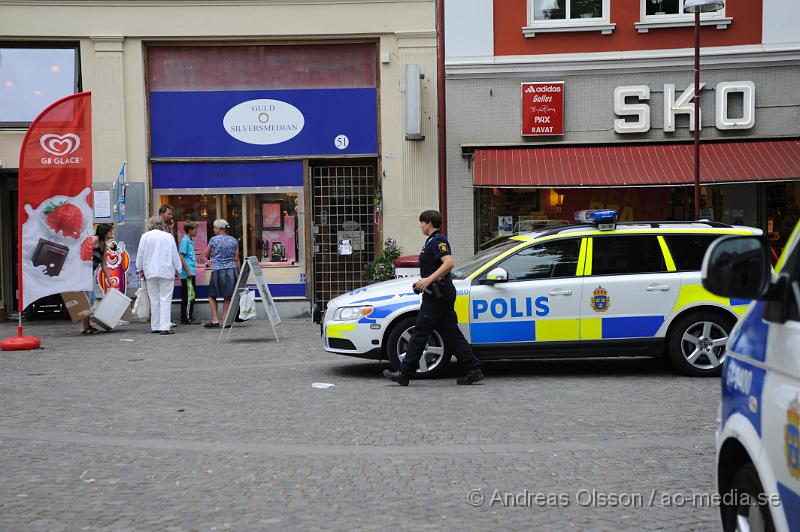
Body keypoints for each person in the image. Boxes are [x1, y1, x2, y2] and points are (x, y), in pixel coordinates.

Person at [383, 210, 484, 386]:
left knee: (420, 332)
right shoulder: (432, 241)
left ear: (429, 223)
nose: (420, 225)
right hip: (438, 293)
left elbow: (449, 263)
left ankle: (404, 373)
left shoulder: (438, 240)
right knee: (451, 334)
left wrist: (429, 280)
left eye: (421, 222)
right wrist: (424, 281)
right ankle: (473, 368)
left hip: (438, 295)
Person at [135, 216, 181, 335]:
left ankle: (155, 325)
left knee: (154, 299)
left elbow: (140, 254)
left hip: (150, 271)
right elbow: (174, 254)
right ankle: (164, 326)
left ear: (150, 225)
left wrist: (140, 268)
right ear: (162, 225)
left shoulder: (145, 237)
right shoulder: (168, 237)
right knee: (165, 299)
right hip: (166, 270)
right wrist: (178, 269)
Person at [204, 219, 240, 328]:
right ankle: (225, 320)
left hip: (217, 270)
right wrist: (239, 272)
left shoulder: (213, 240)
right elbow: (237, 258)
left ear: (219, 229)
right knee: (227, 296)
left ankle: (215, 319)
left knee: (212, 295)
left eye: (215, 228)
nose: (214, 230)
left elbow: (206, 254)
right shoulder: (233, 240)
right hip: (231, 270)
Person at [80, 223, 114, 335]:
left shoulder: (104, 245)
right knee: (88, 298)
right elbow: (81, 251)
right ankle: (84, 326)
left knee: (92, 297)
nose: (111, 233)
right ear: (104, 232)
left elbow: (104, 264)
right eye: (110, 231)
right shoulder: (95, 240)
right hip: (84, 272)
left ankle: (86, 325)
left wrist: (109, 279)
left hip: (90, 272)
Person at [179, 220, 201, 325]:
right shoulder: (185, 241)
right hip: (188, 273)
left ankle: (188, 317)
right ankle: (187, 318)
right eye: (195, 229)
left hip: (191, 272)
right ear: (190, 230)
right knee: (189, 296)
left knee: (190, 295)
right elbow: (181, 255)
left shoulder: (189, 240)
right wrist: (187, 270)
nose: (197, 231)